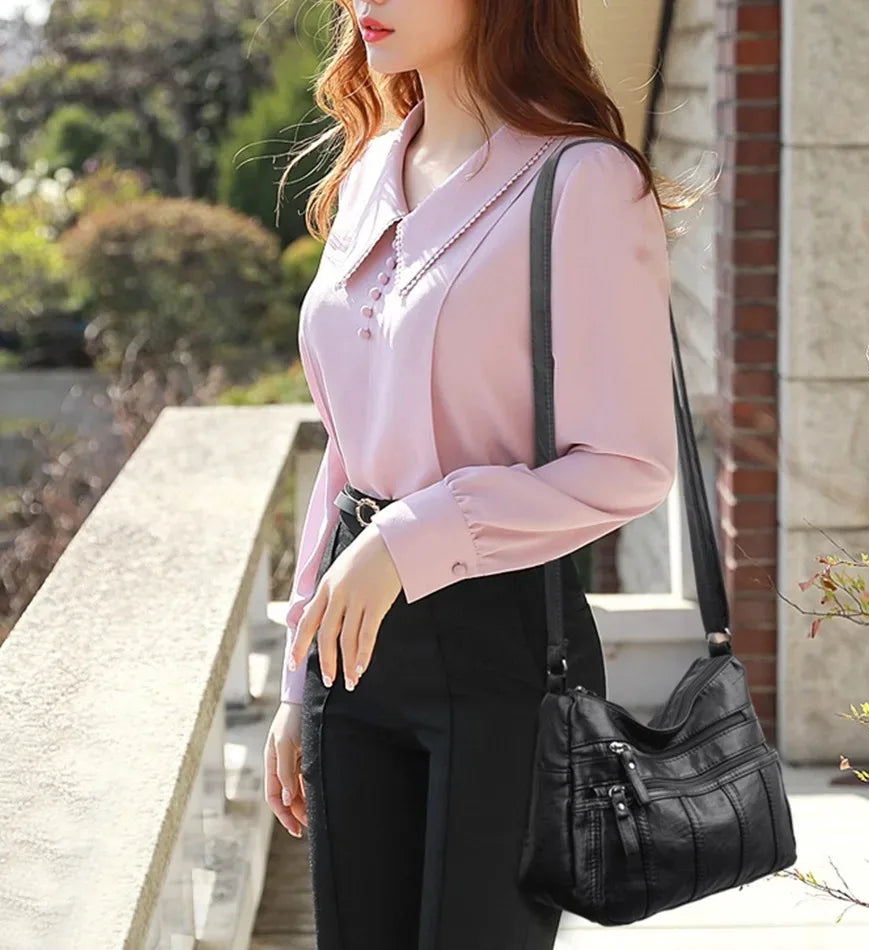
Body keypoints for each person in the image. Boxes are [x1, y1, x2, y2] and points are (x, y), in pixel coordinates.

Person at [263, 1, 695, 947]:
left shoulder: (582, 182)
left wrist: (412, 540)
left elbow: (628, 464)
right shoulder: (371, 169)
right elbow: (347, 449)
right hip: (349, 640)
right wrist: (299, 679)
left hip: (502, 641)